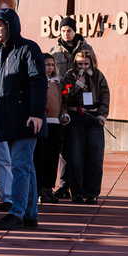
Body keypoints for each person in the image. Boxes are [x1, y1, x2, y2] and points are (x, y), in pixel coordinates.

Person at [0, 7, 46, 230]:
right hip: (7, 119)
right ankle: (30, 214)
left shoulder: (29, 49)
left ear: (11, 25)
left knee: (20, 166)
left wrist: (37, 113)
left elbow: (37, 81)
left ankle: (16, 212)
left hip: (27, 118)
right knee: (26, 167)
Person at [50, 17, 95, 199]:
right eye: (63, 30)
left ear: (75, 31)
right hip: (62, 100)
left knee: (77, 147)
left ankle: (78, 185)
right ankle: (62, 185)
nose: (66, 33)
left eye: (69, 30)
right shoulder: (54, 51)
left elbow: (94, 72)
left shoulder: (86, 49)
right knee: (62, 147)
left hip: (80, 104)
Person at [61, 49, 111, 205]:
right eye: (79, 63)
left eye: (86, 63)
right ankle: (77, 192)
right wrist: (76, 86)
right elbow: (64, 95)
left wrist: (102, 114)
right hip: (76, 117)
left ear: (91, 62)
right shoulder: (70, 75)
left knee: (95, 157)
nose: (82, 66)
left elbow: (105, 95)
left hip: (94, 118)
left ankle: (92, 193)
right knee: (75, 157)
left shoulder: (98, 75)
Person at [37, 53, 66, 203]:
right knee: (40, 157)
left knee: (53, 157)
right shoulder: (38, 81)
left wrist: (64, 114)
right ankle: (39, 189)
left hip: (56, 123)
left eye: (52, 65)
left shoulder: (58, 82)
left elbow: (63, 101)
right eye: (47, 64)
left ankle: (49, 188)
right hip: (42, 123)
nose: (50, 67)